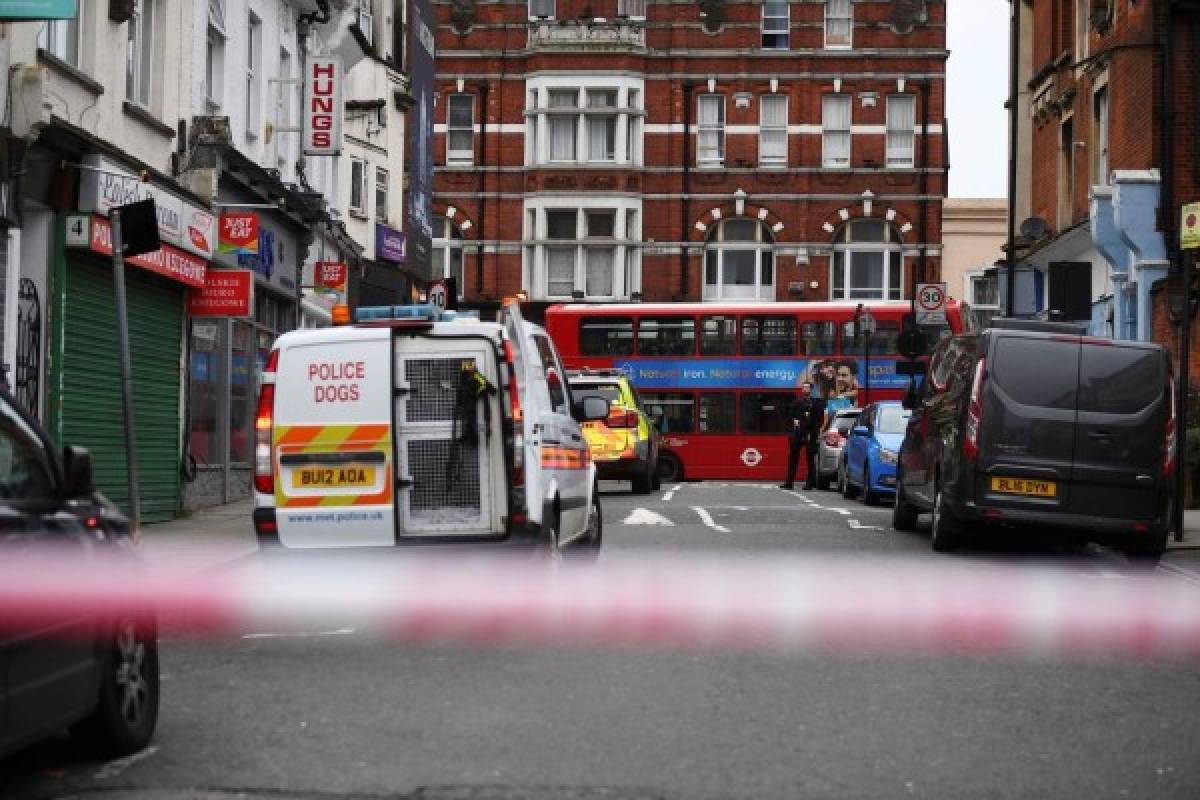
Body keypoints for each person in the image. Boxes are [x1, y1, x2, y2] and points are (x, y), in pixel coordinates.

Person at [780, 381, 826, 490]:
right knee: (793, 457)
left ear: (811, 390)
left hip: (810, 433)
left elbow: (820, 419)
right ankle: (789, 483)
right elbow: (790, 416)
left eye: (807, 388)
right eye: (803, 388)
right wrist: (794, 420)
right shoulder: (797, 402)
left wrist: (815, 431)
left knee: (810, 459)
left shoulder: (817, 403)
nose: (805, 389)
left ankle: (810, 483)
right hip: (798, 433)